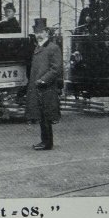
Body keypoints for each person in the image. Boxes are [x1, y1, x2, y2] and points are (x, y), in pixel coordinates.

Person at [25, 18, 63, 150]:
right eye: (36, 32)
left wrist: (43, 80)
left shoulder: (53, 48)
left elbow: (56, 69)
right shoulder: (38, 47)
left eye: (41, 32)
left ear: (47, 32)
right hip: (38, 87)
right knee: (41, 115)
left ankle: (47, 143)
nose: (38, 35)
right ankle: (44, 141)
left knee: (46, 115)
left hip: (46, 87)